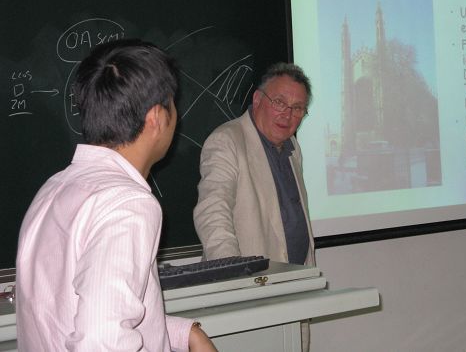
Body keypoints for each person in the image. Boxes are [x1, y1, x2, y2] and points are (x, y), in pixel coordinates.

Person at [15, 39, 217, 352]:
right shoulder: (128, 204)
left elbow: (70, 314)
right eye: (173, 104)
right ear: (156, 118)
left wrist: (183, 333)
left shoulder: (54, 188)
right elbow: (101, 340)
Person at [194, 62, 315, 266]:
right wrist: (231, 268)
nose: (287, 115)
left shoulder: (293, 146)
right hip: (250, 278)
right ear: (257, 99)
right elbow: (212, 211)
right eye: (279, 102)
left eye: (297, 108)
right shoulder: (227, 140)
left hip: (297, 276)